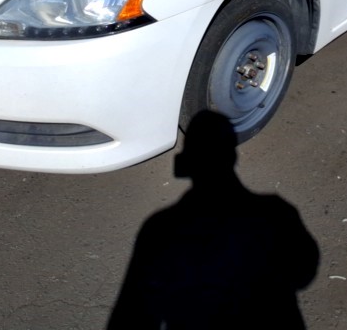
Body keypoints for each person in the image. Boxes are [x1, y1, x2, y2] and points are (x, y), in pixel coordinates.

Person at [108, 111, 319, 329]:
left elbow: (133, 314)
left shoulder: (161, 229)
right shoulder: (277, 214)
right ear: (232, 156)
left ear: (187, 162)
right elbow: (304, 273)